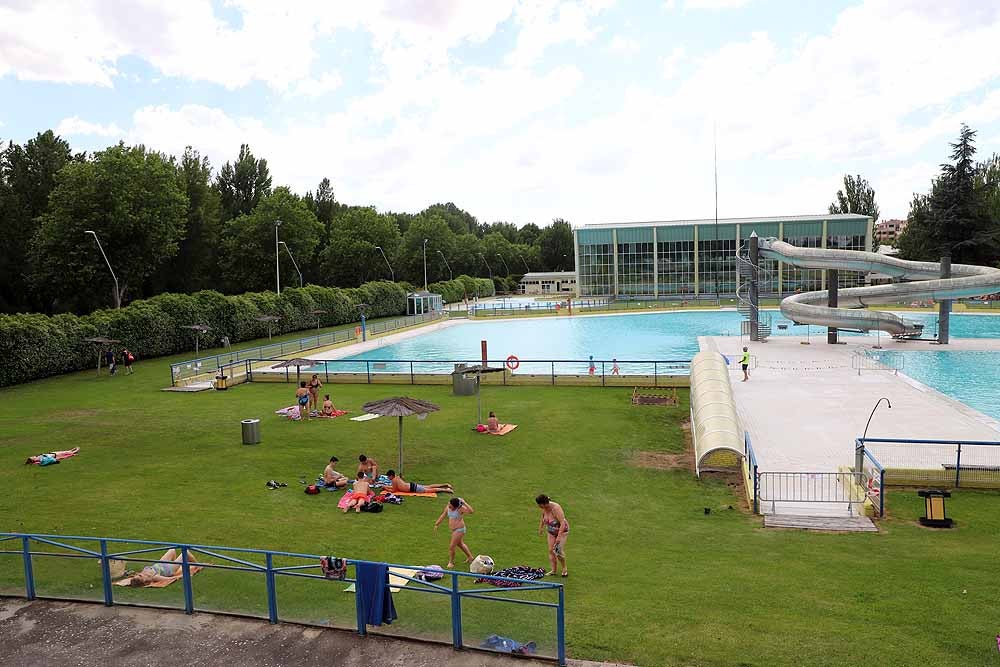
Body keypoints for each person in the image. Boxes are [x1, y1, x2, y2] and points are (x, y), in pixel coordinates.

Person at [434, 496, 474, 569]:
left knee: (452, 546)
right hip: (454, 530)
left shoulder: (460, 509)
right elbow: (443, 515)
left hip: (459, 530)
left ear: (455, 506)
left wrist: (464, 502)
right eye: (449, 504)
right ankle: (470, 557)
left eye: (451, 506)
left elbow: (471, 511)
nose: (449, 506)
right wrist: (437, 524)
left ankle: (451, 562)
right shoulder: (448, 507)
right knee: (460, 544)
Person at [536, 494, 569, 577]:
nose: (539, 506)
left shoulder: (556, 508)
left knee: (558, 551)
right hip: (551, 531)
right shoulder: (544, 508)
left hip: (562, 531)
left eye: (539, 505)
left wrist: (558, 537)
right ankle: (553, 570)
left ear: (544, 503)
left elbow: (562, 523)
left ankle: (564, 568)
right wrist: (541, 527)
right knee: (551, 550)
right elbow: (543, 516)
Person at [128, 548, 198, 586]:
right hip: (170, 568)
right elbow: (169, 579)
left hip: (161, 563)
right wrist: (181, 576)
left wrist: (132, 574)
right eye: (140, 576)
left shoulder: (144, 573)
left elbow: (134, 576)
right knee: (185, 553)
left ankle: (176, 563)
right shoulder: (154, 577)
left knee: (172, 550)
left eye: (138, 575)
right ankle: (197, 565)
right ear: (145, 581)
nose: (140, 574)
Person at [387, 470, 453, 494]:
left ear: (391, 476)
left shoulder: (393, 480)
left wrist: (386, 489)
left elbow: (394, 491)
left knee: (430, 490)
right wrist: (386, 487)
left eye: (388, 476)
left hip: (413, 488)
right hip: (411, 485)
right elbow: (396, 487)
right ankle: (446, 484)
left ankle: (447, 490)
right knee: (429, 486)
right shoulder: (397, 477)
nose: (388, 478)